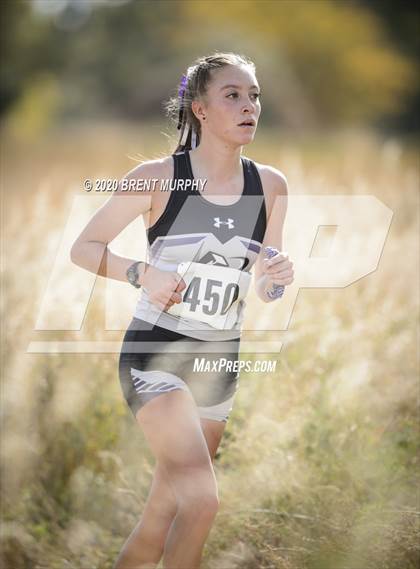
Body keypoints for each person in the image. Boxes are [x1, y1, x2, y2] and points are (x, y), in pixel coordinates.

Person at [70, 52, 294, 569]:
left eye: (254, 96)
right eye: (233, 96)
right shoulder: (156, 177)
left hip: (220, 363)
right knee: (202, 502)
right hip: (156, 357)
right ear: (200, 110)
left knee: (161, 520)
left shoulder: (272, 185)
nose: (249, 106)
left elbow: (265, 281)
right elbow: (83, 247)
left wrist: (276, 281)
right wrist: (140, 273)